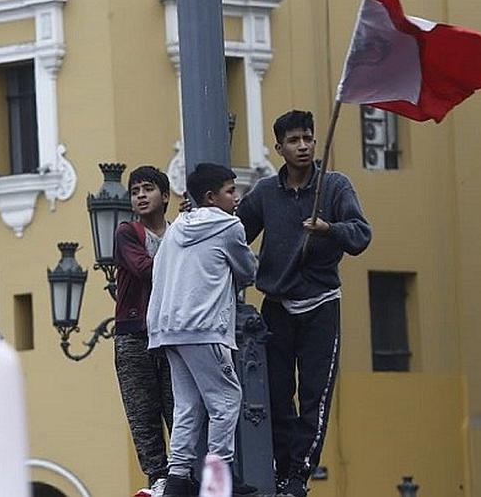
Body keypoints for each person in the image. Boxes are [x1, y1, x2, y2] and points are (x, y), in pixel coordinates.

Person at [236, 109, 372, 497]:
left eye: (308, 139)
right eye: (294, 141)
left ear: (316, 142)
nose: (303, 146)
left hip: (321, 305)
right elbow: (235, 230)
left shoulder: (335, 187)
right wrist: (203, 218)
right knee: (276, 394)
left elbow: (361, 235)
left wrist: (330, 228)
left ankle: (299, 474)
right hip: (277, 304)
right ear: (279, 148)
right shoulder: (265, 192)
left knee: (315, 395)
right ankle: (281, 468)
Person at [147, 163, 260, 497]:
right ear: (211, 197)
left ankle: (178, 478)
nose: (236, 197)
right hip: (203, 327)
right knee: (226, 400)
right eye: (230, 190)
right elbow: (247, 270)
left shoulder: (178, 226)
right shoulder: (229, 226)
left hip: (167, 328)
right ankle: (218, 478)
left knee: (187, 405)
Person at [113, 165, 176, 497]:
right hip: (134, 335)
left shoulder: (178, 231)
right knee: (143, 411)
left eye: (148, 189)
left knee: (177, 406)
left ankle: (181, 472)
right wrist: (183, 255)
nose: (140, 195)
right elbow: (143, 269)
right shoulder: (127, 233)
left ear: (165, 196)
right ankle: (158, 476)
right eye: (135, 191)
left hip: (171, 334)